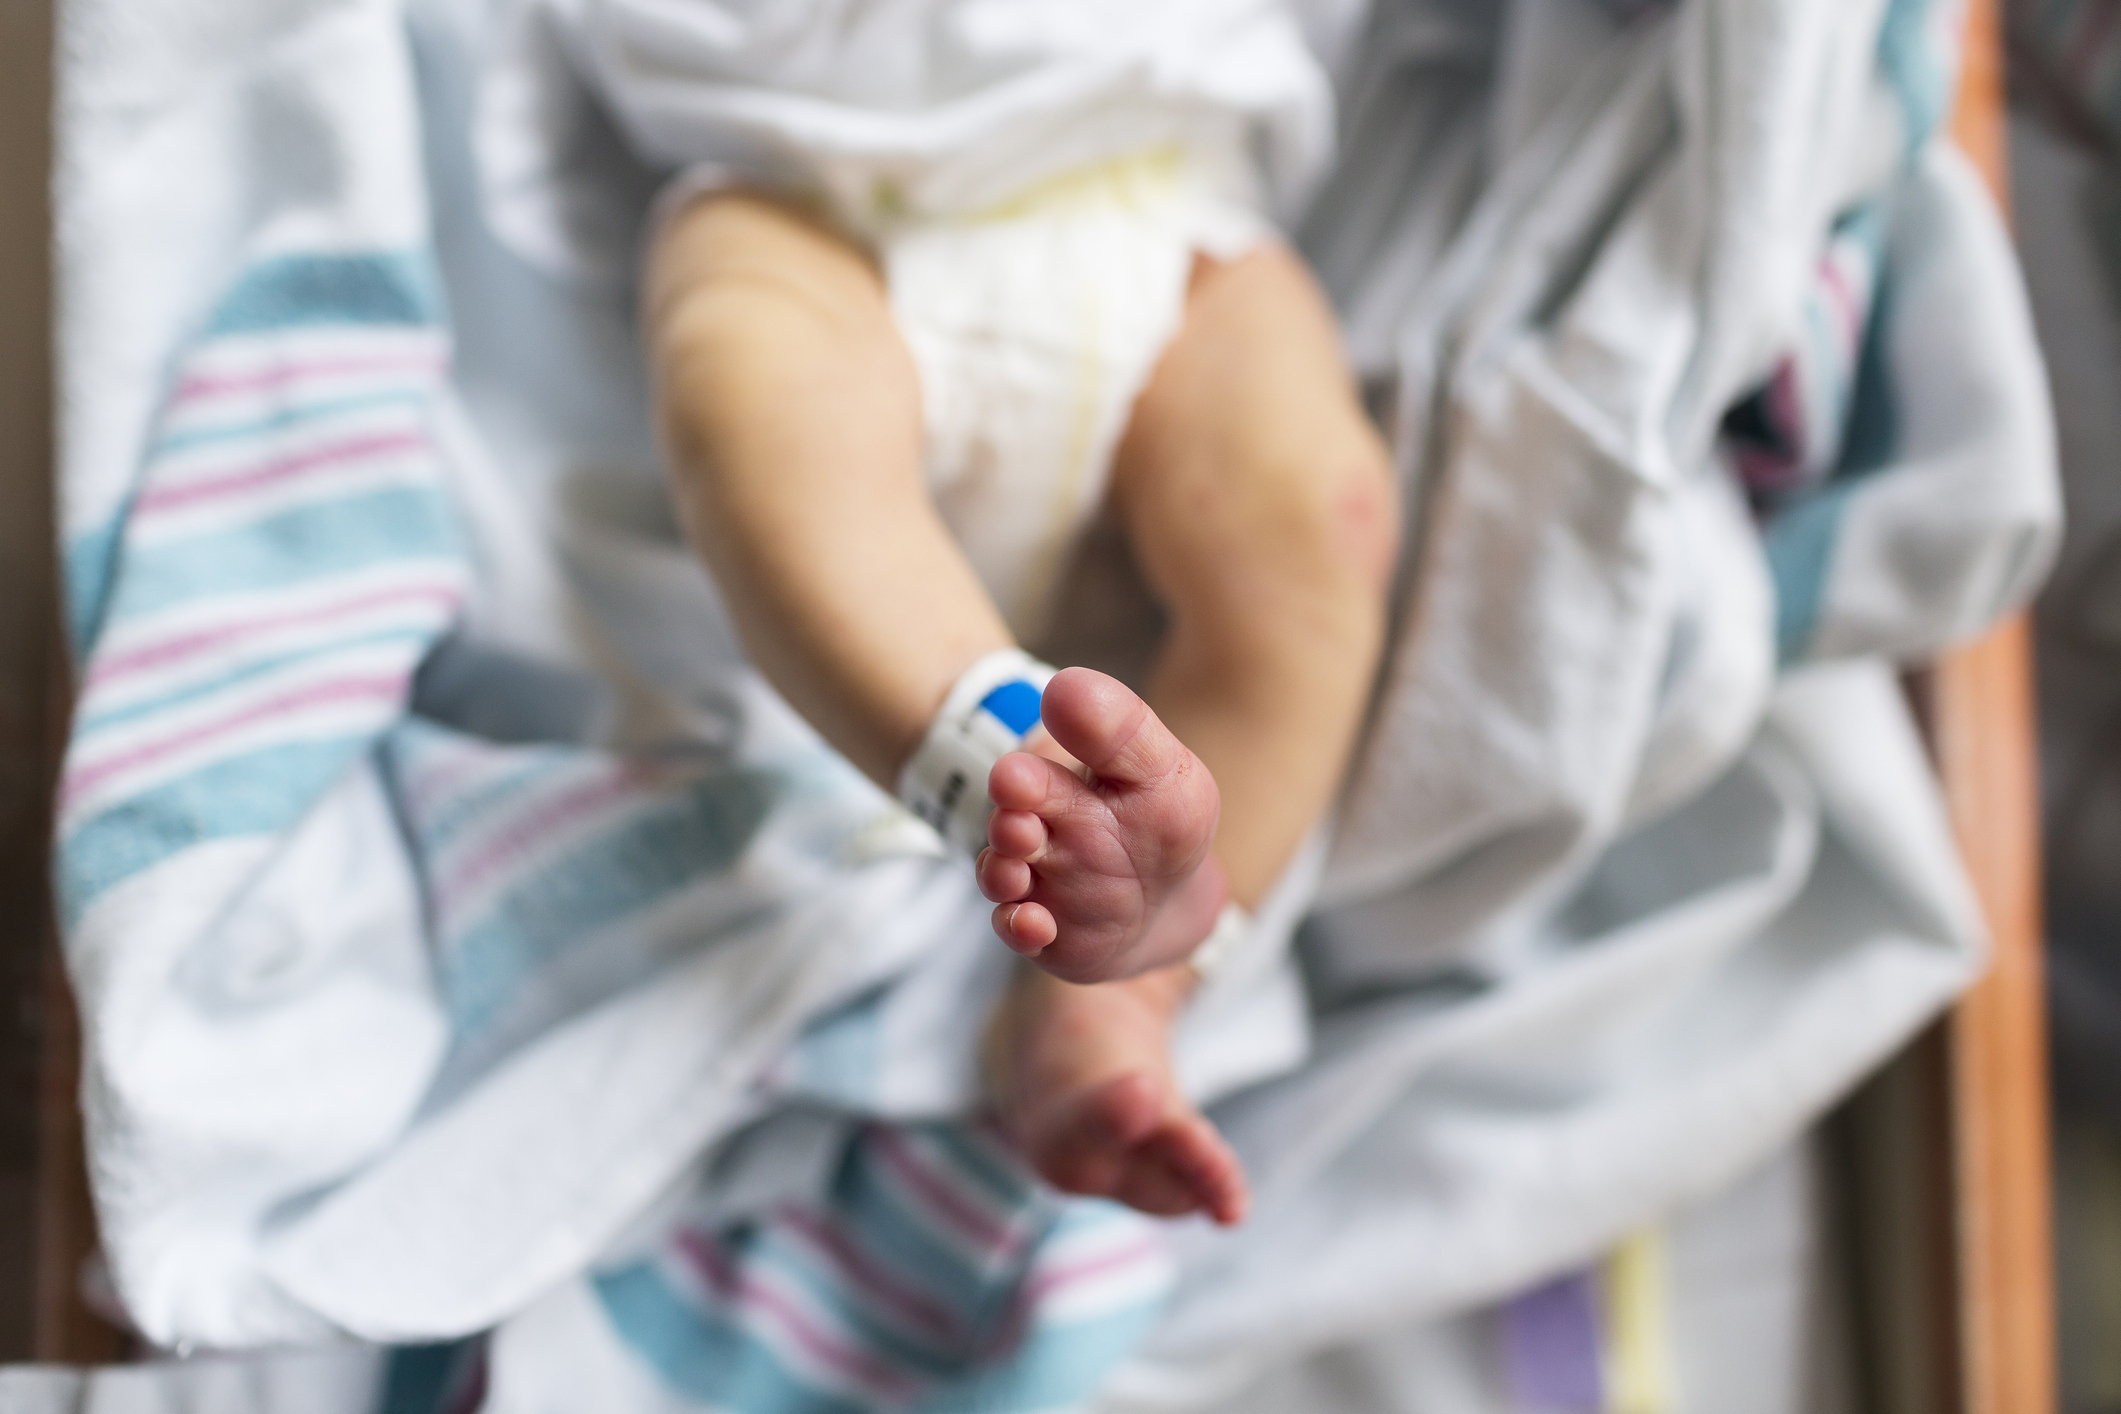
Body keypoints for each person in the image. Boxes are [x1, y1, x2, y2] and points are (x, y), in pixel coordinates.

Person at [612, 2, 1398, 1226]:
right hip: (808, 181)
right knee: (762, 422)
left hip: (1168, 189)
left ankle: (1132, 975)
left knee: (1323, 524)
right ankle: (1006, 760)